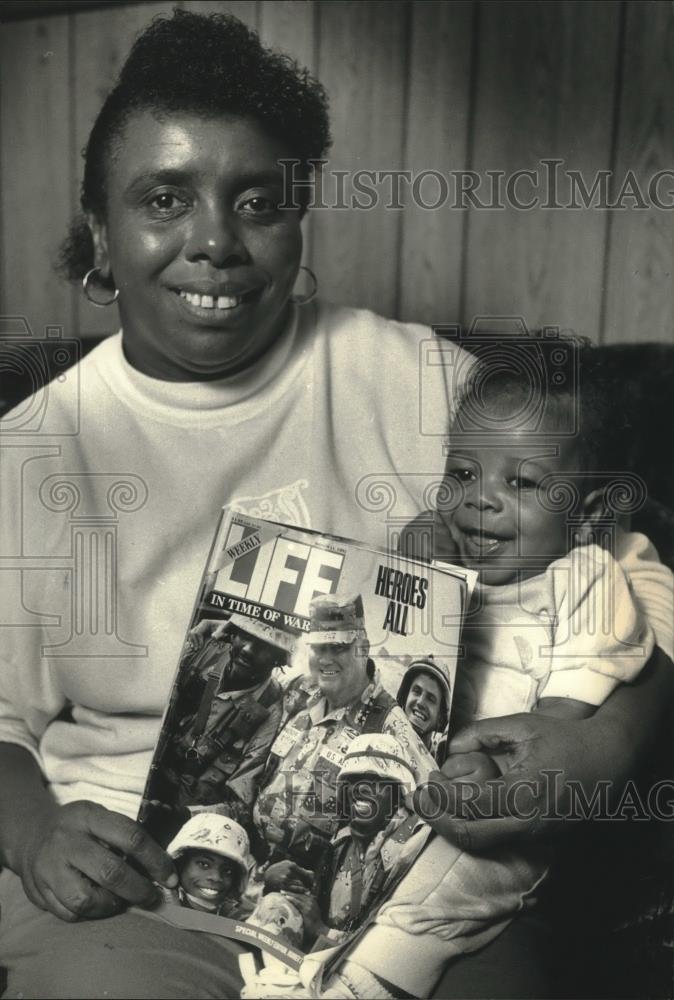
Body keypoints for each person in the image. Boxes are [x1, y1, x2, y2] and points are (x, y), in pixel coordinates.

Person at [0, 10, 671, 1000]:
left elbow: (628, 567)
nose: (215, 241)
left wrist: (598, 746)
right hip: (136, 866)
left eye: (257, 202)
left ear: (298, 221)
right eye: (164, 198)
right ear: (101, 228)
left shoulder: (414, 378)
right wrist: (34, 831)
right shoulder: (28, 456)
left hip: (406, 858)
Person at [251, 594, 436, 869]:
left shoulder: (389, 724)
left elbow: (432, 809)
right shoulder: (300, 693)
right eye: (318, 648)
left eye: (337, 648)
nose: (325, 660)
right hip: (251, 861)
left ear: (362, 648)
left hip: (309, 885)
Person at [146, 614, 292, 826]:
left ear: (278, 659)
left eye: (264, 646)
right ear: (232, 635)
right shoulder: (201, 653)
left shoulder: (269, 713)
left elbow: (240, 805)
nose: (248, 649)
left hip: (189, 816)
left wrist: (179, 818)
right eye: (245, 636)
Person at [162, 812, 250, 918]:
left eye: (227, 871)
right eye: (204, 864)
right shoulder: (151, 901)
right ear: (180, 863)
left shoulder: (239, 919)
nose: (216, 877)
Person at [396, 657, 451, 762]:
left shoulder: (441, 764)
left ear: (440, 718)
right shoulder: (382, 741)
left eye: (431, 699)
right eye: (416, 691)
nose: (420, 702)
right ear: (405, 697)